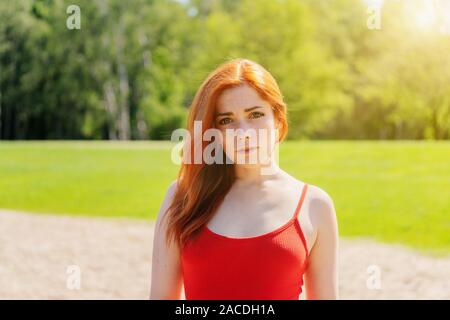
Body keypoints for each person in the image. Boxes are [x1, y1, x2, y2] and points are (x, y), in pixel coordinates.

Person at [150, 58, 339, 300]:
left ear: (278, 121)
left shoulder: (315, 205)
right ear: (214, 133)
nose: (243, 133)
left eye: (255, 114)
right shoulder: (183, 197)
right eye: (227, 120)